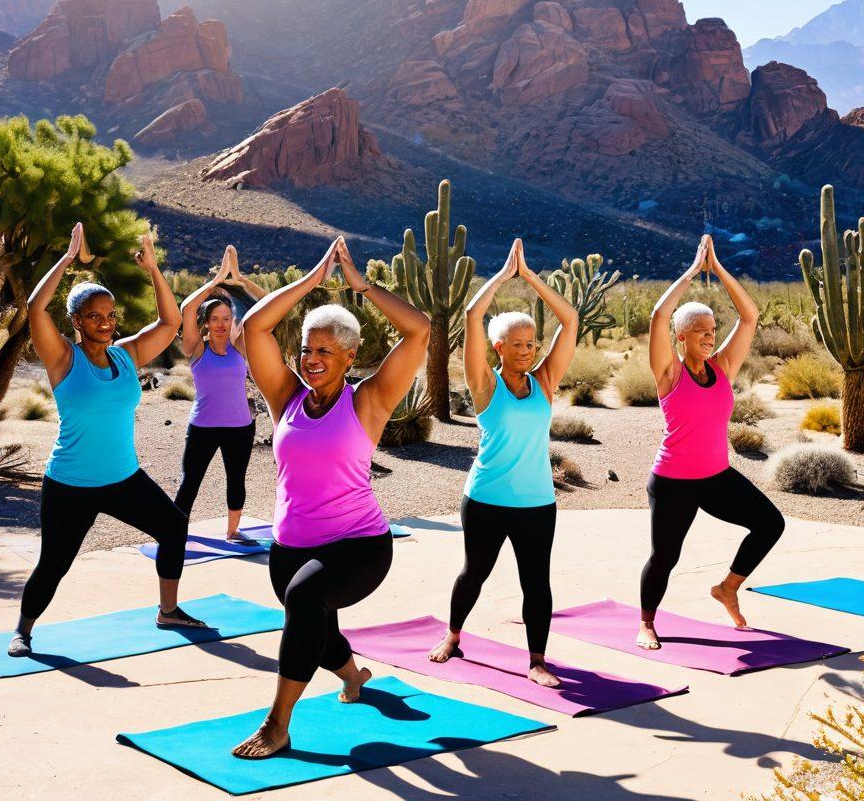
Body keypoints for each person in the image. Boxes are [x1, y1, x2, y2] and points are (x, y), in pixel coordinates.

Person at [232, 237, 429, 759]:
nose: (311, 359)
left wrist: (361, 286)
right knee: (314, 629)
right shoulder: (286, 398)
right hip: (290, 544)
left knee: (304, 600)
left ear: (350, 354)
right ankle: (354, 675)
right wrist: (312, 282)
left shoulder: (368, 400)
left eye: (324, 350)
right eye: (306, 349)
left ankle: (278, 723)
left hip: (359, 544)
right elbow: (254, 326)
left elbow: (419, 330)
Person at [9, 224, 206, 658]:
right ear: (76, 321)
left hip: (123, 477)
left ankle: (169, 610)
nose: (105, 323)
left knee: (174, 525)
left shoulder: (127, 353)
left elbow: (171, 322)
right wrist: (67, 258)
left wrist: (154, 269)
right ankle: (23, 630)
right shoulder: (63, 358)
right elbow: (35, 307)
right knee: (54, 564)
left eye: (110, 315)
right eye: (95, 316)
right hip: (71, 483)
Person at [427, 239, 578, 688]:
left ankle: (537, 660)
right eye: (518, 344)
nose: (528, 351)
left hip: (537, 501)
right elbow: (473, 316)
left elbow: (569, 320)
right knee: (475, 571)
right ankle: (453, 635)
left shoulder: (545, 381)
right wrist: (502, 275)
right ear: (499, 347)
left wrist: (531, 277)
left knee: (537, 581)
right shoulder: (484, 385)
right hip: (487, 498)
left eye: (532, 343)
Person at [637, 235, 784, 651]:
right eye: (698, 331)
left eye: (711, 330)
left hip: (716, 476)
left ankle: (728, 587)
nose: (708, 336)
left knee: (771, 524)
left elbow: (750, 316)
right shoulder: (669, 372)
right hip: (673, 482)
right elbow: (658, 315)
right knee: (665, 557)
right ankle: (647, 622)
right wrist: (691, 270)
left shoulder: (722, 367)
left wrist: (717, 270)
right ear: (680, 337)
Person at [175, 246, 267, 541]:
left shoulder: (240, 346)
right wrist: (217, 280)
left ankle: (233, 530)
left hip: (240, 426)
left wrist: (239, 279)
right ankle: (176, 532)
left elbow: (268, 304)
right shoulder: (196, 348)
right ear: (206, 322)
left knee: (236, 480)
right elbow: (187, 308)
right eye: (215, 318)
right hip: (202, 427)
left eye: (227, 318)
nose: (222, 324)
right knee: (190, 482)